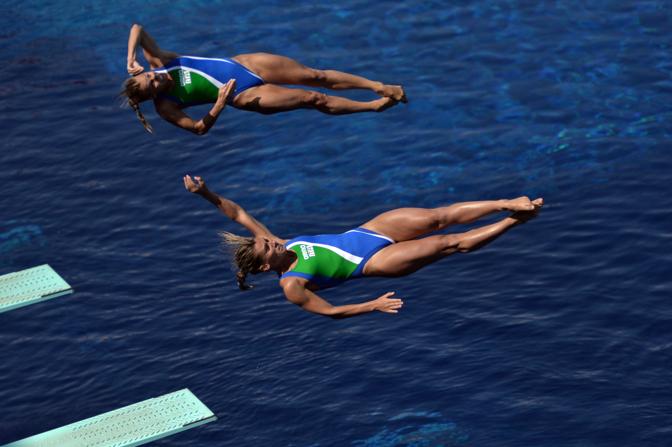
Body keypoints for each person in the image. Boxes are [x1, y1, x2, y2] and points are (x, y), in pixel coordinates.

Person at [183, 175, 543, 319]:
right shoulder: (292, 284)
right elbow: (331, 312)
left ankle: (505, 203)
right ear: (266, 266)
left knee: (438, 216)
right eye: (266, 248)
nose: (270, 241)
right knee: (449, 243)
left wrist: (205, 194)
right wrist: (373, 305)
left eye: (265, 241)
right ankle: (514, 221)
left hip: (370, 230)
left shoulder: (280, 243)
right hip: (376, 261)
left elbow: (239, 214)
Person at [122, 24, 407, 134]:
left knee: (314, 75)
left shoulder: (160, 62)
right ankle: (373, 106)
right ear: (151, 96)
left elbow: (137, 28)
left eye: (151, 77)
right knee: (313, 98)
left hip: (245, 63)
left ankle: (379, 86)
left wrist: (130, 57)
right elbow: (197, 128)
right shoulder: (166, 106)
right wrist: (218, 106)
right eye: (153, 86)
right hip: (242, 96)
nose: (157, 80)